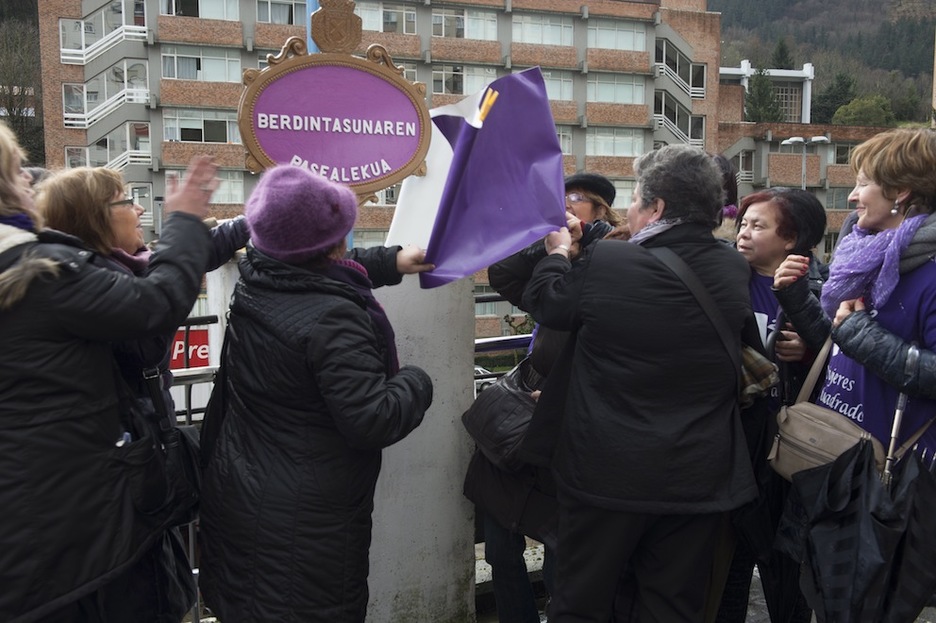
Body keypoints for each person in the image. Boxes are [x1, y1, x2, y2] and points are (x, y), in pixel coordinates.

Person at [522, 144, 755, 622]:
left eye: (634, 197)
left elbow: (547, 304)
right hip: (697, 473)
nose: (629, 208)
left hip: (607, 474)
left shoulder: (610, 264)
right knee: (672, 604)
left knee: (581, 600)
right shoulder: (734, 266)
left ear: (657, 207)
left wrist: (559, 252)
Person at [0, 116, 217, 622]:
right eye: (15, 171)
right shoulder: (43, 273)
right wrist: (183, 219)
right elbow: (154, 307)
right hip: (77, 535)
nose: (29, 179)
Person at [198, 164, 435, 623]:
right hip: (307, 522)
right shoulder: (333, 317)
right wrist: (417, 380)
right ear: (331, 242)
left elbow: (319, 270)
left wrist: (393, 260)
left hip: (246, 492)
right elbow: (373, 419)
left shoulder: (259, 278)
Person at [35, 165, 248, 621]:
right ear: (97, 219)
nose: (137, 210)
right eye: (126, 201)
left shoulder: (113, 271)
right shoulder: (95, 290)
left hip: (128, 470)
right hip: (123, 482)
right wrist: (184, 223)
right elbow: (151, 323)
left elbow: (180, 261)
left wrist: (255, 220)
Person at [471, 173, 616, 623]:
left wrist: (581, 245)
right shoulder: (558, 257)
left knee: (560, 548)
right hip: (522, 418)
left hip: (571, 423)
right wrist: (553, 247)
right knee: (499, 541)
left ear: (600, 210)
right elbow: (502, 276)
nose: (562, 206)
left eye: (572, 200)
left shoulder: (614, 261)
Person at [773, 128, 936, 459]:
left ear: (901, 191)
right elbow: (838, 345)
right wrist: (795, 296)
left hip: (891, 477)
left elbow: (856, 335)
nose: (852, 196)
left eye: (863, 184)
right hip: (836, 452)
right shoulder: (865, 259)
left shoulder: (930, 272)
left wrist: (858, 332)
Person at [714, 188, 827, 623]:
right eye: (742, 223)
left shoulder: (822, 288)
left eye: (758, 226)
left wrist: (815, 346)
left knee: (786, 567)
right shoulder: (723, 278)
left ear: (791, 239)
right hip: (735, 442)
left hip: (791, 451)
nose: (743, 233)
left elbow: (848, 366)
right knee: (730, 564)